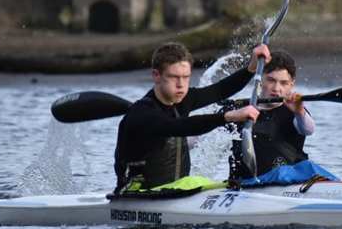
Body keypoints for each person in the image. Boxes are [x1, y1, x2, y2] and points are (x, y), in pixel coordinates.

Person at [114, 42, 270, 194]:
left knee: (230, 184)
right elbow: (179, 126)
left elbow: (220, 91)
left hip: (175, 190)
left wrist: (251, 68)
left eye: (186, 77)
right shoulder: (142, 113)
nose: (181, 85)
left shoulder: (182, 100)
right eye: (174, 77)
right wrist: (228, 117)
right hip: (138, 193)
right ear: (156, 75)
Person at [232, 50, 338, 184]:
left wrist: (299, 111)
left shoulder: (296, 112)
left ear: (291, 84)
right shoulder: (238, 111)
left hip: (292, 180)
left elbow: (308, 130)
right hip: (248, 183)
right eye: (271, 80)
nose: (276, 88)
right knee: (281, 172)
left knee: (306, 167)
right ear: (260, 79)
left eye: (284, 83)